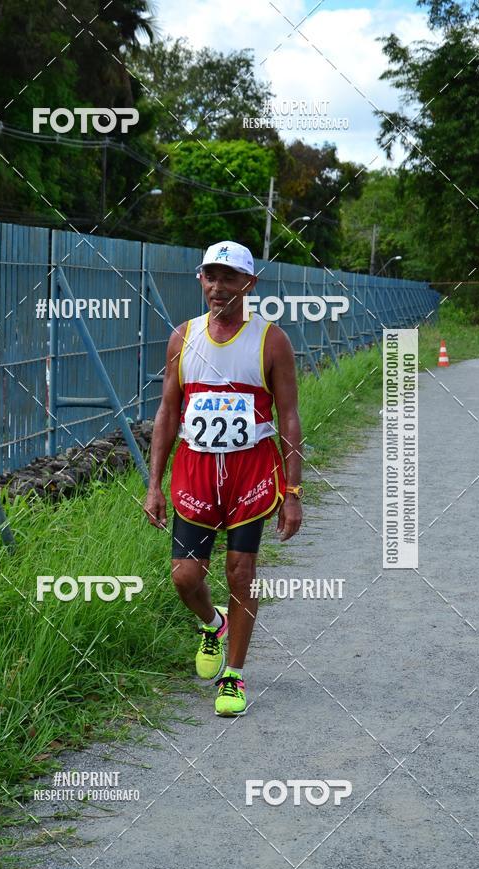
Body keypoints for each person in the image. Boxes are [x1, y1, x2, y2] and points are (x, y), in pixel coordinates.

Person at [143, 240, 302, 717]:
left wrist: (293, 492)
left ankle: (233, 675)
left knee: (240, 571)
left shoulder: (271, 340)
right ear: (201, 280)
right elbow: (169, 412)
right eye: (211, 276)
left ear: (249, 284)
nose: (218, 286)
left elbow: (290, 417)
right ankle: (214, 625)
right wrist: (154, 485)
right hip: (195, 470)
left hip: (249, 471)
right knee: (185, 576)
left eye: (230, 277)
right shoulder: (183, 337)